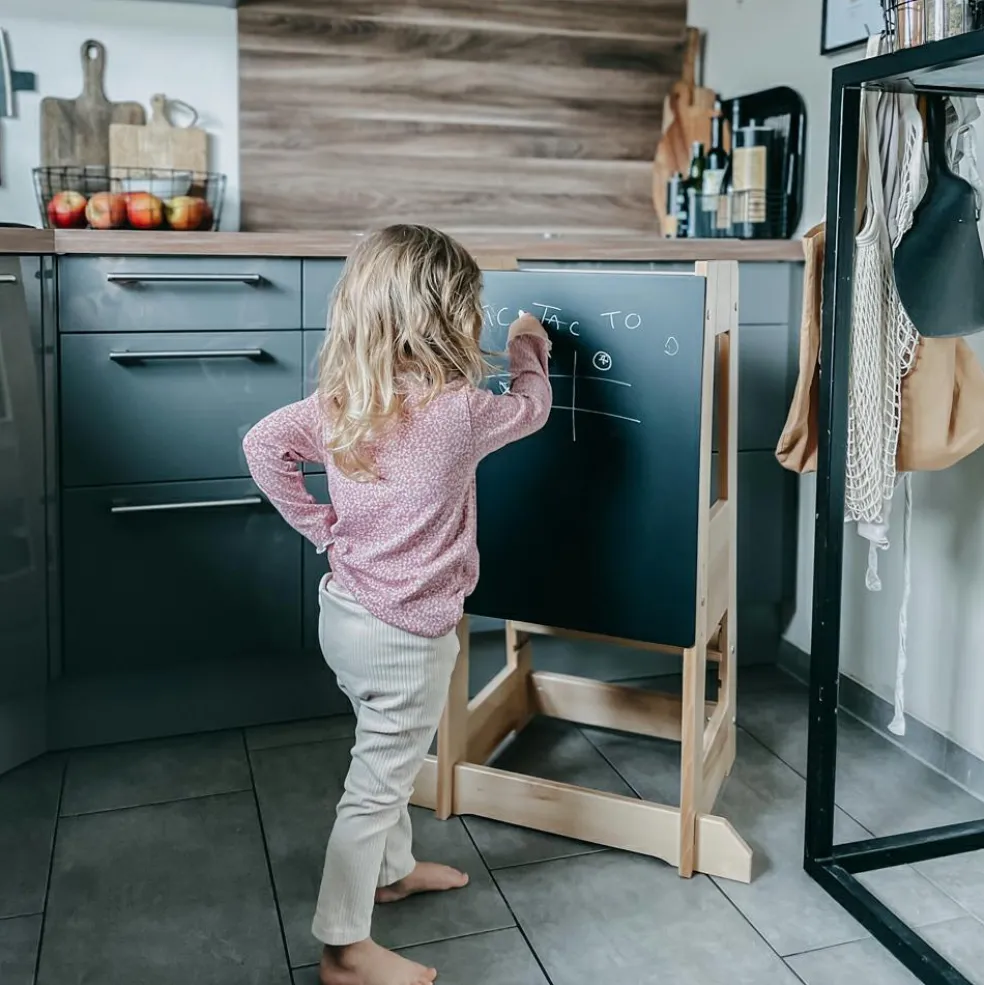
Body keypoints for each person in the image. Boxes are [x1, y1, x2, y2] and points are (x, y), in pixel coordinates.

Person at [242, 224, 552, 985]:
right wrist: (528, 346)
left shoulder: (340, 401)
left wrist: (323, 528)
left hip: (345, 612)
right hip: (408, 633)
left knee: (385, 753)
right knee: (377, 782)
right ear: (449, 317)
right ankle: (344, 947)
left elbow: (260, 445)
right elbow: (533, 406)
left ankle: (393, 872)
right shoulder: (462, 410)